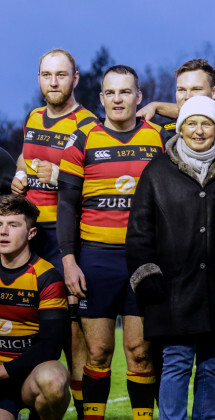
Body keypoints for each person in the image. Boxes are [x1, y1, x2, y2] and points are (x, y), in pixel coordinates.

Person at [127, 95, 215, 419]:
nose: (199, 131)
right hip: (172, 288)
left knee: (214, 365)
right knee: (176, 361)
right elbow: (140, 230)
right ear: (180, 128)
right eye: (192, 123)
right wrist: (146, 275)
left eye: (207, 123)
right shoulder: (156, 171)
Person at [57, 65, 168, 420]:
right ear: (101, 98)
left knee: (139, 352)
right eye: (111, 92)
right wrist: (69, 261)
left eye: (125, 92)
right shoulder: (84, 139)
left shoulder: (160, 138)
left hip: (144, 260)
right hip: (96, 259)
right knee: (98, 352)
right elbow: (66, 205)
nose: (117, 99)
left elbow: (210, 115)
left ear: (138, 97)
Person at [10, 48, 97, 418]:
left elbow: (98, 183)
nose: (54, 82)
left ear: (75, 79)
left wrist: (59, 177)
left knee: (72, 329)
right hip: (30, 238)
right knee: (27, 320)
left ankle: (80, 406)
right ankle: (27, 396)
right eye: (47, 75)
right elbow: (25, 157)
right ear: (40, 79)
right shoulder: (33, 116)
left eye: (61, 75)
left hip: (65, 237)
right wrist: (19, 175)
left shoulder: (89, 124)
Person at [0, 194, 70, 420]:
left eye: (13, 224)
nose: (3, 231)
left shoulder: (47, 276)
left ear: (31, 233)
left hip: (31, 375)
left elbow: (50, 347)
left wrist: (5, 371)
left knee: (54, 380)